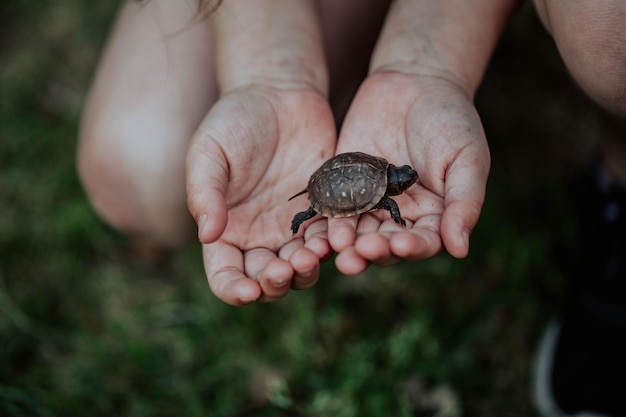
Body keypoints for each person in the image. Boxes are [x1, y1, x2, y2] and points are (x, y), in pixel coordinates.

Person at [77, 1, 626, 415]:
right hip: (323, 160)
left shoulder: (387, 183)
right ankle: (325, 92)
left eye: (404, 181)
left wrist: (430, 61)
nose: (406, 184)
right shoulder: (385, 190)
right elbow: (385, 203)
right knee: (141, 162)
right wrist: (268, 74)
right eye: (404, 182)